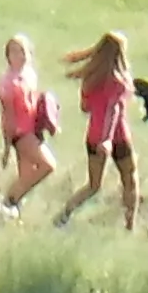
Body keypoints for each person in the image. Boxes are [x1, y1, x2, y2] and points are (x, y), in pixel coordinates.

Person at [55, 31, 141, 231]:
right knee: (130, 181)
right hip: (118, 137)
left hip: (93, 136)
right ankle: (130, 226)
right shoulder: (120, 81)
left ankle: (64, 215)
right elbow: (114, 109)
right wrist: (108, 139)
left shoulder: (90, 79)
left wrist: (101, 134)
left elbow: (85, 108)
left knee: (93, 185)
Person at [0, 33, 61, 214]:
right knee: (48, 165)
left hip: (34, 129)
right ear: (7, 56)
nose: (19, 56)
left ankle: (13, 210)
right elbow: (7, 114)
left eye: (22, 51)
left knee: (26, 175)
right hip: (20, 132)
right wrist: (7, 145)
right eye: (14, 52)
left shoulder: (29, 75)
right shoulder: (7, 81)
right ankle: (7, 201)